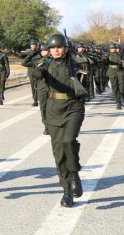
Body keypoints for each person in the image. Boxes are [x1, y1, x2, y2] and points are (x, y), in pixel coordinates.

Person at [33, 33, 85, 208]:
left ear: (65, 48)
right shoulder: (44, 64)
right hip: (53, 109)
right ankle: (66, 191)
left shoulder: (75, 63)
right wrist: (38, 72)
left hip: (73, 107)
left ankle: (74, 172)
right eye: (53, 47)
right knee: (59, 153)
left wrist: (74, 61)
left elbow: (87, 68)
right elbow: (36, 72)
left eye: (59, 47)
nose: (56, 50)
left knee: (68, 141)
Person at [23, 44, 51, 135]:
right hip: (41, 87)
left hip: (53, 87)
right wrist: (31, 54)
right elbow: (24, 63)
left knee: (54, 107)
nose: (43, 52)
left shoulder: (54, 61)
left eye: (45, 50)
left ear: (49, 51)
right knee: (43, 107)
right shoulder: (36, 60)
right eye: (42, 50)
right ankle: (46, 126)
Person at [106, 43, 124, 109]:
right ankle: (118, 102)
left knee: (121, 86)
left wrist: (119, 53)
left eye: (113, 48)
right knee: (114, 87)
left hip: (120, 72)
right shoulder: (108, 55)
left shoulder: (120, 55)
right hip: (112, 72)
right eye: (110, 48)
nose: (111, 49)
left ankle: (122, 96)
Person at [23, 39, 40, 106]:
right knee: (33, 86)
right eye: (31, 45)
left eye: (34, 44)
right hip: (31, 71)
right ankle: (35, 100)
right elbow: (24, 62)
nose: (33, 46)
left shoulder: (39, 52)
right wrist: (32, 64)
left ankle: (40, 97)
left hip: (39, 71)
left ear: (36, 45)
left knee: (40, 85)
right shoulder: (29, 53)